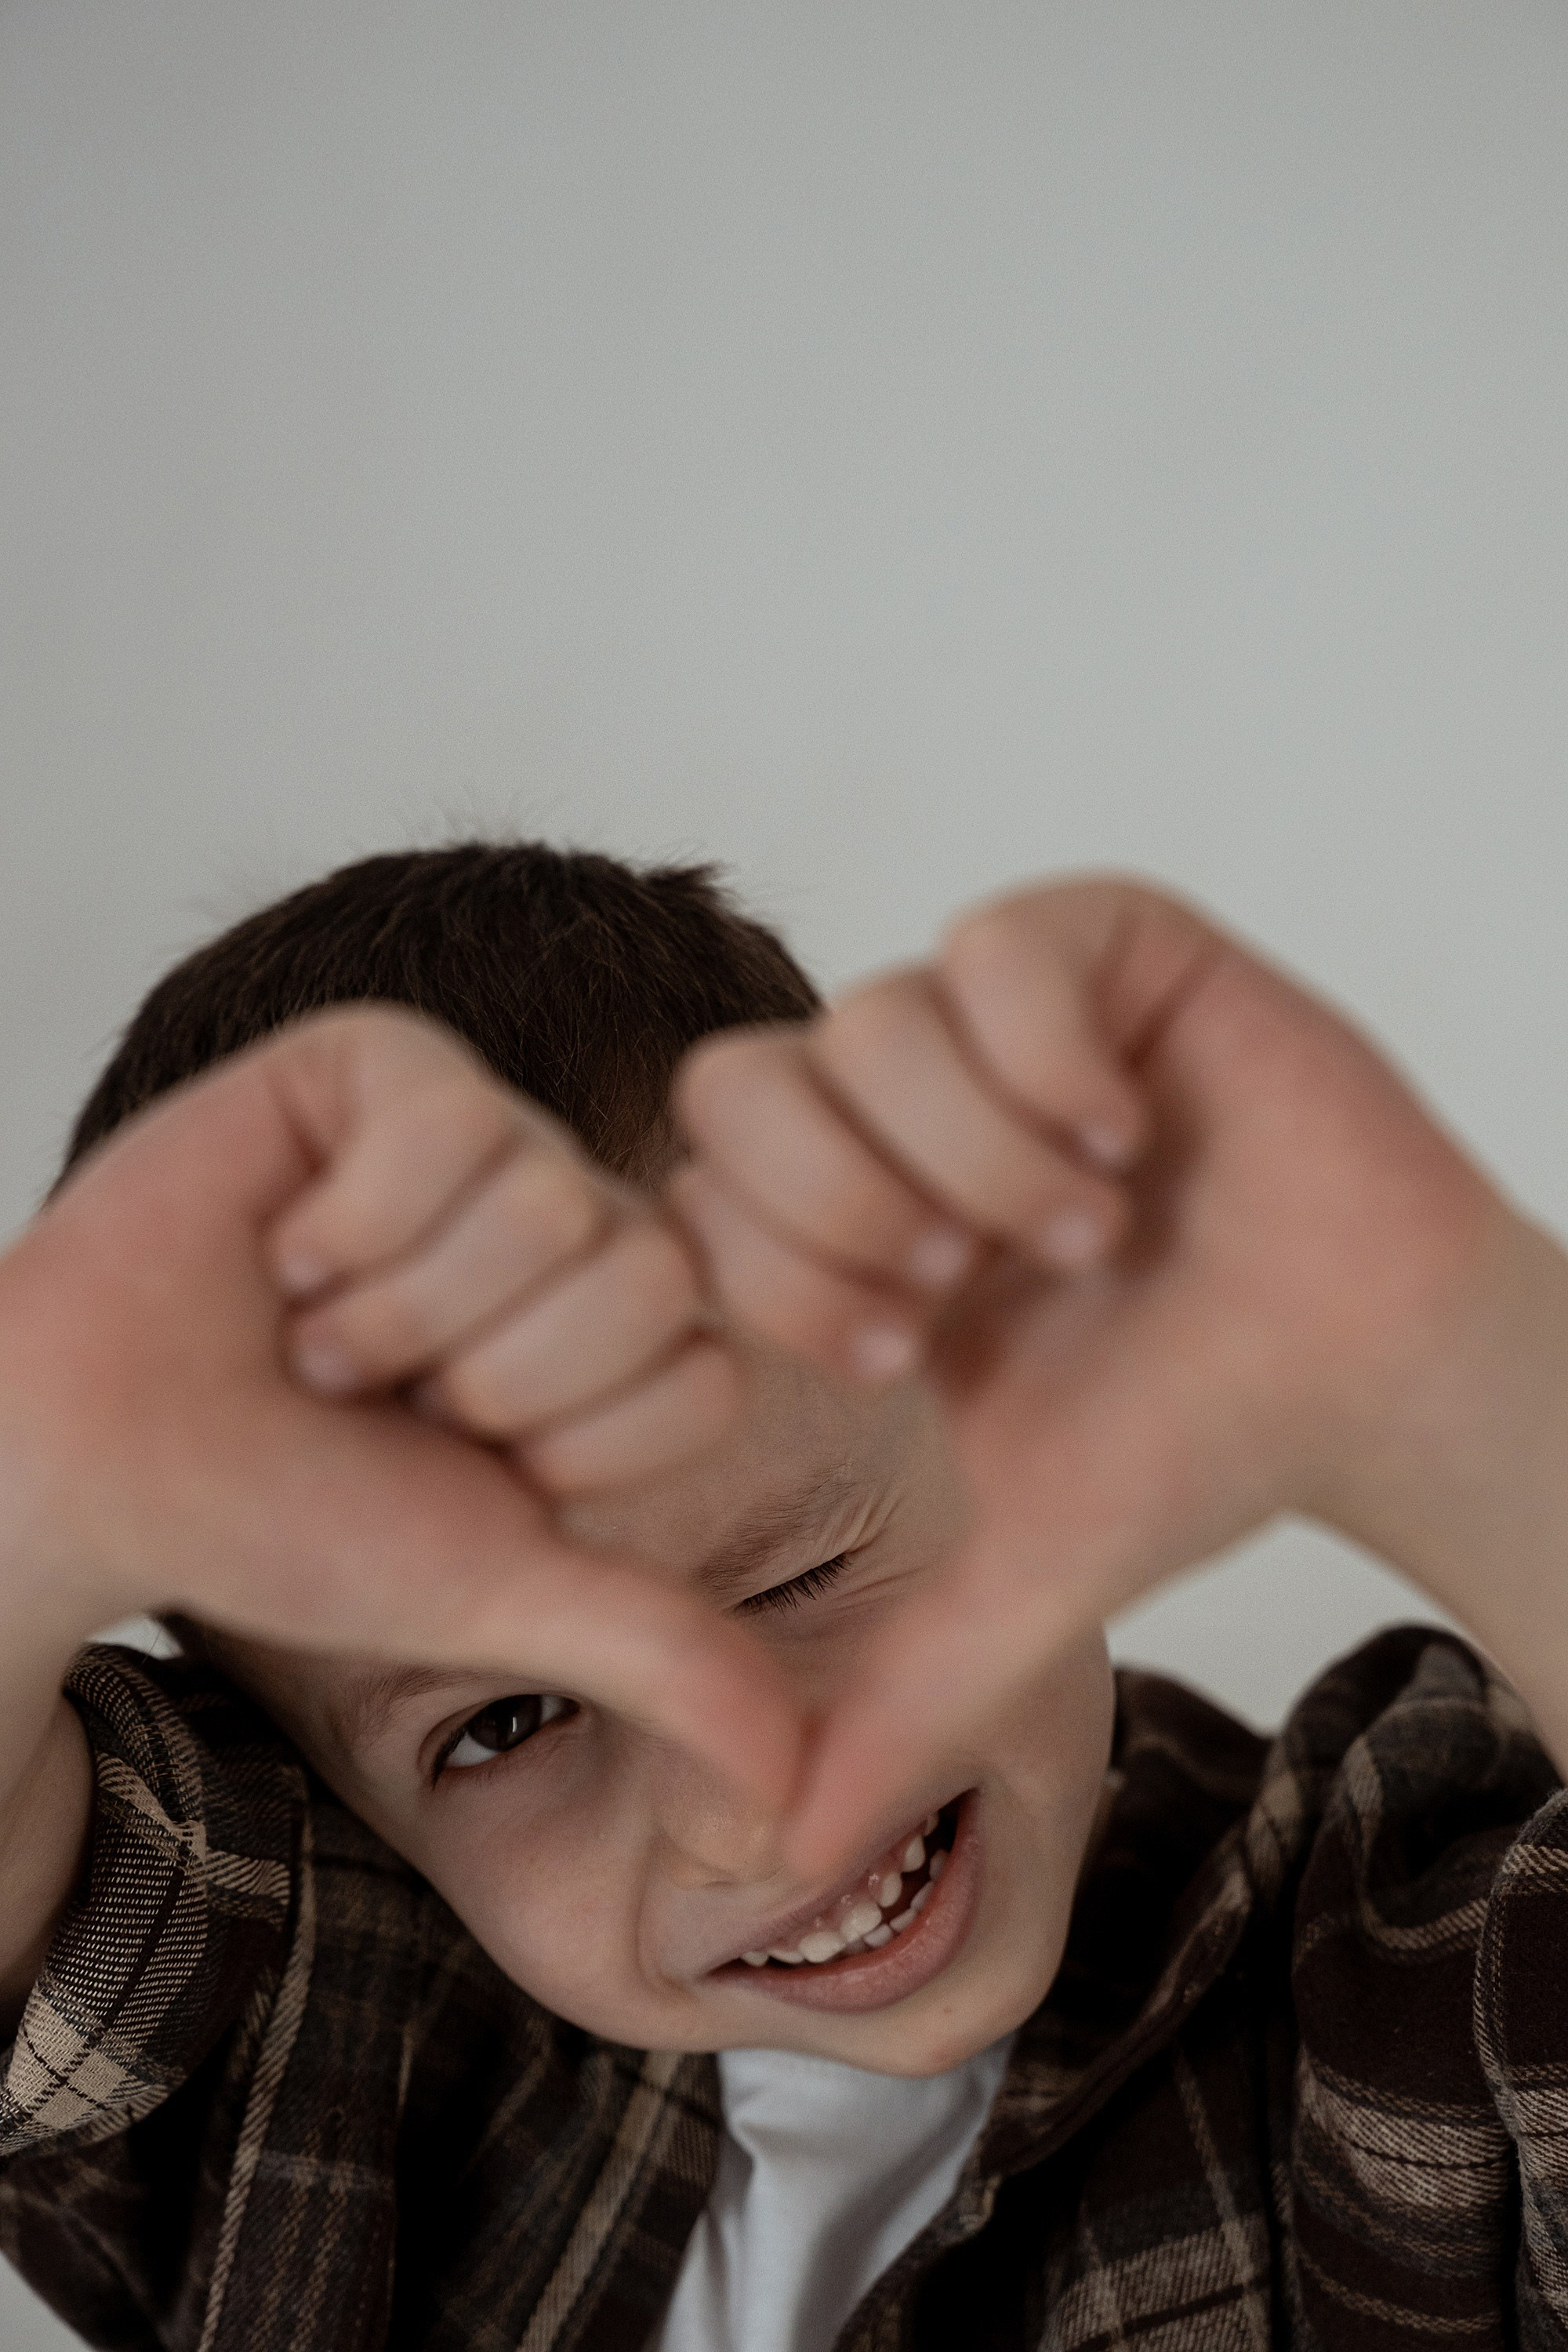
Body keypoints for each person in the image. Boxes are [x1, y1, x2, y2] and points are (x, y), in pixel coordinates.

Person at [0, 841, 1565, 2351]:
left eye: (802, 1570)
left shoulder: (1392, 1958)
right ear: (345, 1808)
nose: (754, 1807)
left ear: (997, 1388)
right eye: (508, 1723)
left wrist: (1450, 1377)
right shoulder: (357, 2082)